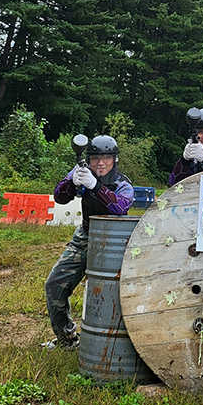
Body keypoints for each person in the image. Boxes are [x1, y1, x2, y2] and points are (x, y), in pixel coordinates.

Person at [43, 135, 134, 350]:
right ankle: (67, 340)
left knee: (111, 295)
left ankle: (115, 343)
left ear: (114, 160)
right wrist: (71, 182)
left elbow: (120, 207)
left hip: (115, 242)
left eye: (105, 158)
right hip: (85, 237)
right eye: (95, 158)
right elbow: (60, 197)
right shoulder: (82, 173)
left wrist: (95, 187)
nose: (100, 163)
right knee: (54, 285)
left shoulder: (123, 183)